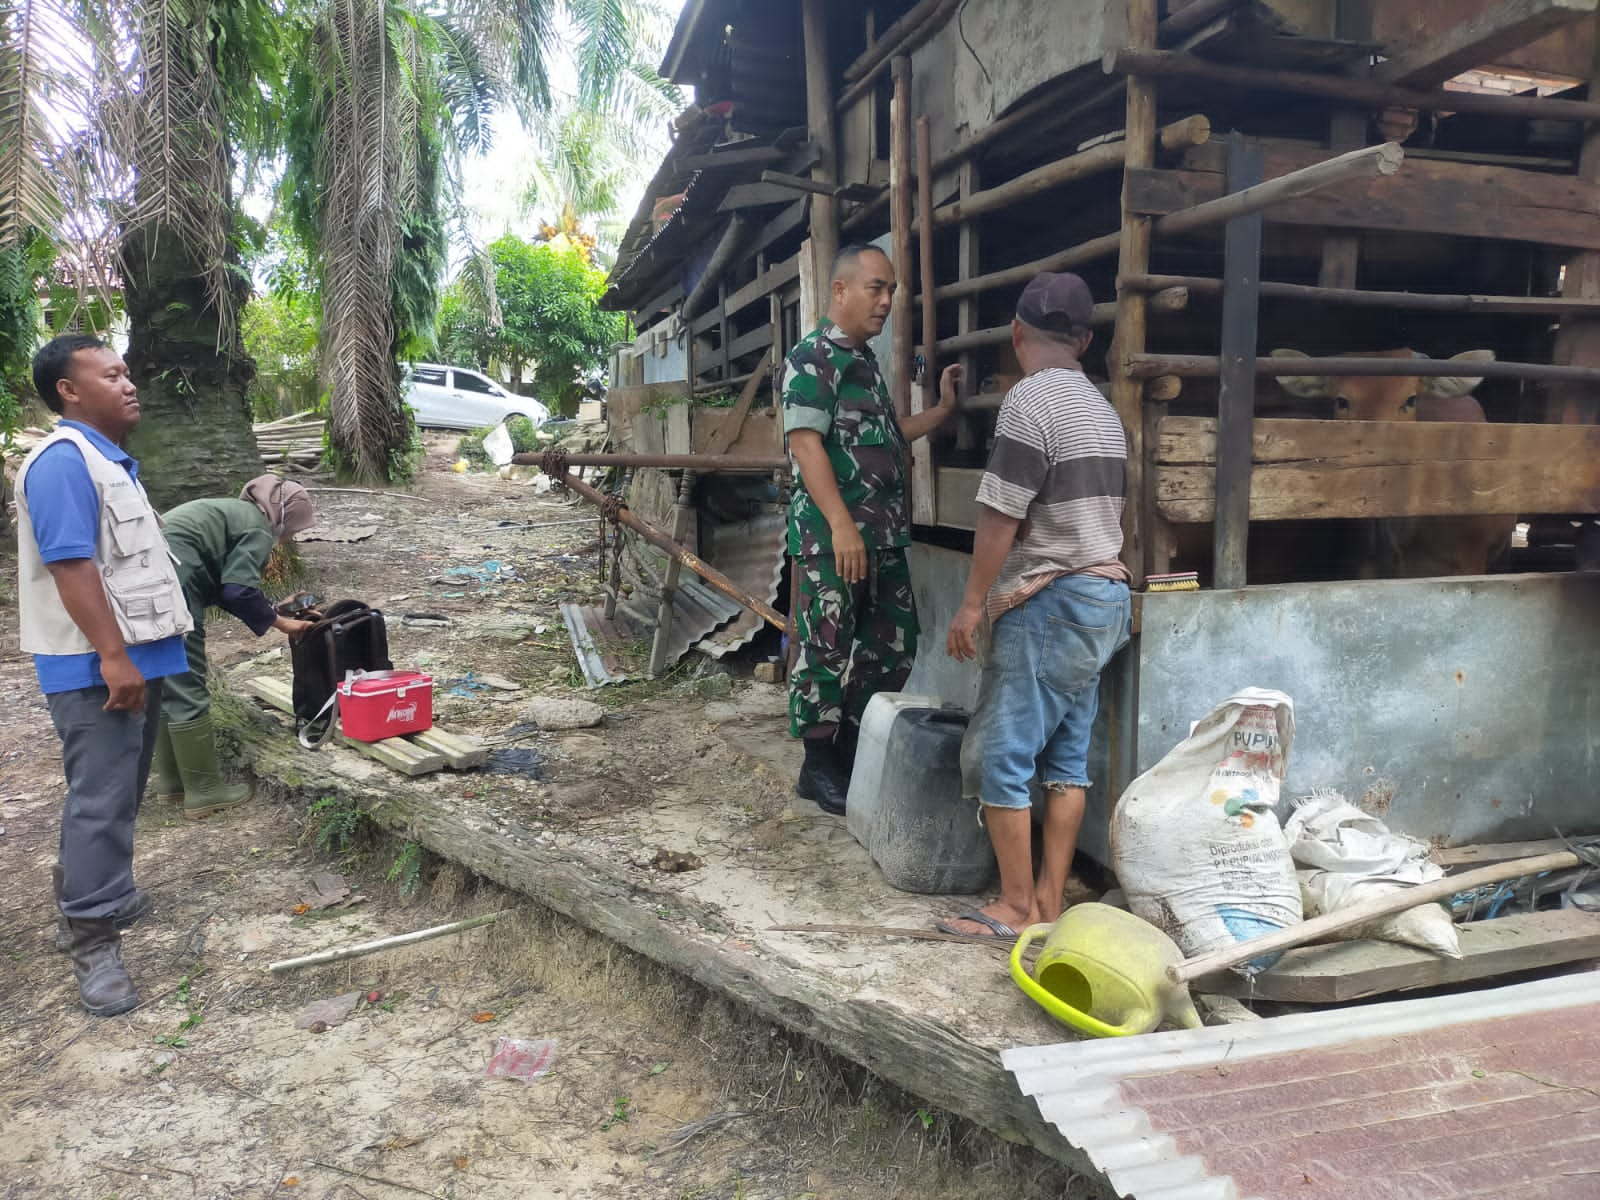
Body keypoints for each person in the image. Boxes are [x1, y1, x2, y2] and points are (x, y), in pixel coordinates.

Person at [937, 273, 1132, 939]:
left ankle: (1014, 908)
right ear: (1083, 341)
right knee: (1067, 760)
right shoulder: (1103, 411)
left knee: (1000, 755)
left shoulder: (1027, 403)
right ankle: (1050, 901)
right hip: (1104, 598)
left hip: (1051, 599)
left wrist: (970, 605)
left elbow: (999, 515)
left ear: (1016, 333)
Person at [15, 334, 194, 1015]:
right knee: (101, 800)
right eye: (111, 374)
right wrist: (113, 657)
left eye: (127, 372)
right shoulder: (63, 462)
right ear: (68, 388)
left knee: (115, 795)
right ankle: (91, 938)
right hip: (97, 666)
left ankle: (90, 898)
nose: (129, 383)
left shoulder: (106, 462)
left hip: (130, 659)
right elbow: (71, 566)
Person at [784, 243, 959, 815]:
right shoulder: (814, 357)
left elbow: (884, 435)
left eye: (891, 290)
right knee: (826, 646)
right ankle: (817, 766)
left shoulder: (864, 362)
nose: (886, 300)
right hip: (836, 538)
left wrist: (940, 413)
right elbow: (805, 443)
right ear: (840, 291)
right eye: (875, 288)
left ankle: (851, 747)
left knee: (895, 644)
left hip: (883, 538)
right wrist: (840, 525)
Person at [154, 475, 318, 820]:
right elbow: (237, 592)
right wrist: (285, 624)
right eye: (291, 531)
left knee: (168, 681)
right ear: (283, 517)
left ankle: (173, 784)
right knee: (186, 685)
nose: (287, 539)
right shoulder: (258, 528)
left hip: (155, 586)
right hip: (174, 591)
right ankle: (205, 792)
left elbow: (228, 584)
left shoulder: (233, 513)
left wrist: (274, 609)